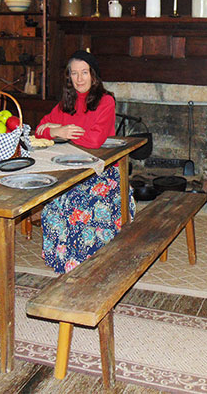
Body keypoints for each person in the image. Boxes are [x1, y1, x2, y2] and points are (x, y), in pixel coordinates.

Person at [34, 49, 135, 274]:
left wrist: (64, 132)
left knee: (78, 207)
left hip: (103, 171)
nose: (79, 79)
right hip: (71, 170)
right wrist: (57, 129)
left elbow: (96, 139)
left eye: (84, 73)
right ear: (68, 76)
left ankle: (88, 266)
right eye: (74, 73)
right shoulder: (65, 103)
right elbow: (39, 129)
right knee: (52, 206)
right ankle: (64, 263)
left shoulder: (106, 101)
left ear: (94, 75)